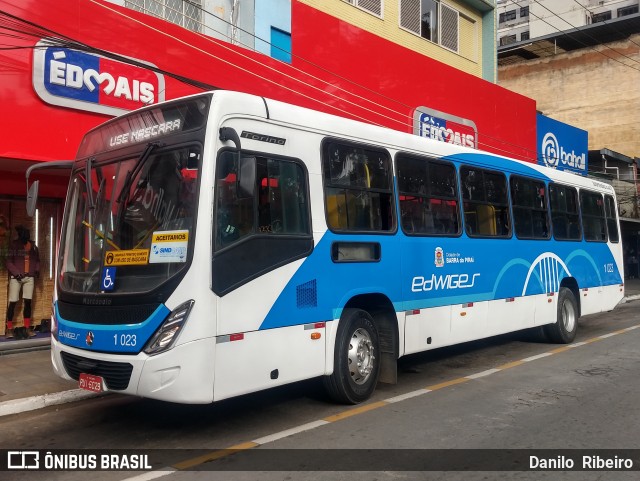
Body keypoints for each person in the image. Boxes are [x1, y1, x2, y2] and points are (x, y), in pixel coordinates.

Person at [5, 225, 40, 340]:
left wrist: (36, 270)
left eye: (27, 233)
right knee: (13, 302)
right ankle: (9, 328)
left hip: (29, 278)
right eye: (24, 233)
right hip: (16, 278)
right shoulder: (14, 245)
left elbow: (37, 260)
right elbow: (9, 261)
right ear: (20, 235)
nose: (26, 235)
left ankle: (27, 327)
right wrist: (16, 273)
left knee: (28, 302)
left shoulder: (33, 246)